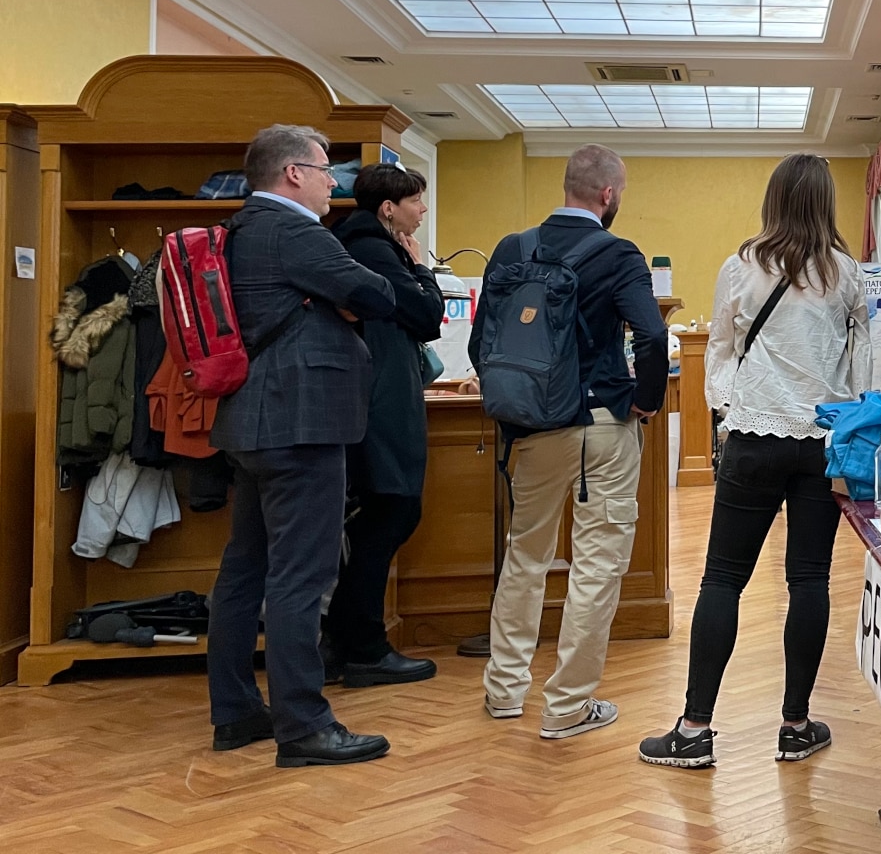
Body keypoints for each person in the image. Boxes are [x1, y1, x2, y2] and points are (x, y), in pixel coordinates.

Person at [640, 154, 872, 769]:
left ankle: (694, 730)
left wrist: (729, 409)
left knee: (722, 579)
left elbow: (718, 347)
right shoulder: (846, 273)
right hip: (822, 443)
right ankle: (796, 725)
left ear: (773, 201)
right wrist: (843, 408)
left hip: (754, 437)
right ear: (825, 203)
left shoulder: (741, 267)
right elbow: (867, 360)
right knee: (810, 581)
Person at [206, 124, 397, 767]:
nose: (332, 182)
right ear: (292, 173)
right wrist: (341, 299)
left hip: (252, 422)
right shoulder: (292, 231)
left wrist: (331, 299)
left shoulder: (240, 228)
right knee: (300, 577)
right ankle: (303, 725)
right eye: (323, 170)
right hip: (301, 422)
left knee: (244, 572)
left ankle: (236, 713)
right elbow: (376, 293)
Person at [472, 144, 670, 739]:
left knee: (523, 557)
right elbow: (654, 335)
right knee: (595, 567)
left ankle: (504, 691)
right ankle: (567, 707)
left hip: (530, 428)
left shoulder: (512, 248)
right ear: (608, 195)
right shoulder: (617, 254)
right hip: (599, 427)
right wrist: (645, 400)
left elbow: (486, 339)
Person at [324, 163, 443, 687]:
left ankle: (345, 642)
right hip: (379, 401)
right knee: (393, 510)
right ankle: (363, 646)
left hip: (374, 393)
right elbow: (426, 317)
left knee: (382, 517)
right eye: (416, 200)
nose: (422, 209)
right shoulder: (374, 249)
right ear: (389, 207)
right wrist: (420, 269)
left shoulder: (362, 243)